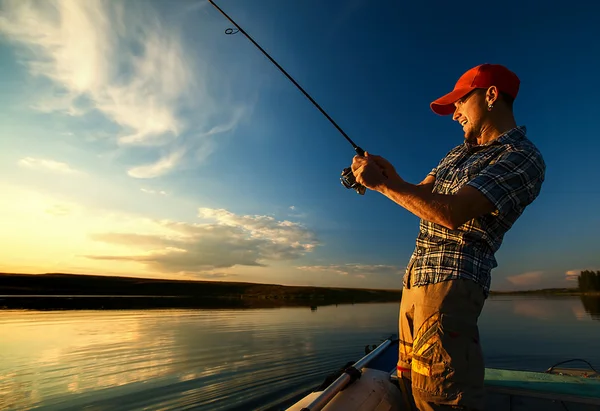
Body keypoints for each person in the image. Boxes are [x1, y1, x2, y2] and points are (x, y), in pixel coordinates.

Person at [351, 63, 546, 410]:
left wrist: (382, 184)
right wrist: (391, 176)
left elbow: (452, 212)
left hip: (449, 290)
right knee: (409, 389)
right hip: (414, 284)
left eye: (459, 102)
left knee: (440, 399)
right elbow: (421, 195)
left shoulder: (521, 157)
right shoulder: (455, 154)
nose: (454, 113)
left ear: (490, 96)